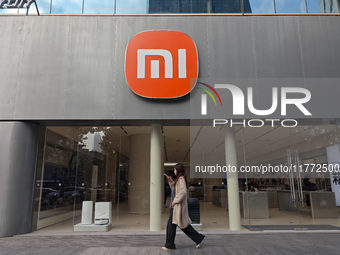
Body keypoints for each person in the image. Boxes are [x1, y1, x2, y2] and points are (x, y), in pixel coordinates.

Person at [162, 163, 205, 250]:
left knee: (172, 226)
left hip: (176, 207)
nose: (174, 171)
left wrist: (175, 201)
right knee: (183, 226)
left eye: (175, 170)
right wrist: (171, 181)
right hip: (175, 207)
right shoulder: (178, 179)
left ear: (178, 170)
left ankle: (170, 244)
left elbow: (183, 192)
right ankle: (198, 238)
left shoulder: (181, 179)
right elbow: (175, 190)